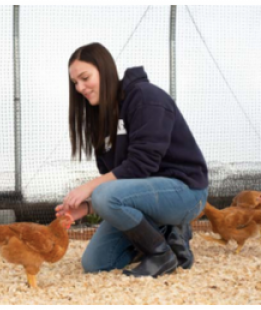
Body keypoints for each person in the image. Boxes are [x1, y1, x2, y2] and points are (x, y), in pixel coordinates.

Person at [55, 42, 208, 278]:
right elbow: (120, 181)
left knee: (103, 192)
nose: (80, 88)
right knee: (96, 262)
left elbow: (141, 165)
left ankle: (160, 255)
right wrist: (87, 208)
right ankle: (167, 234)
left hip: (185, 192)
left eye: (85, 78)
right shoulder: (101, 118)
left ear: (104, 69)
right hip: (146, 200)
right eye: (75, 83)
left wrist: (89, 189)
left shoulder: (145, 98)